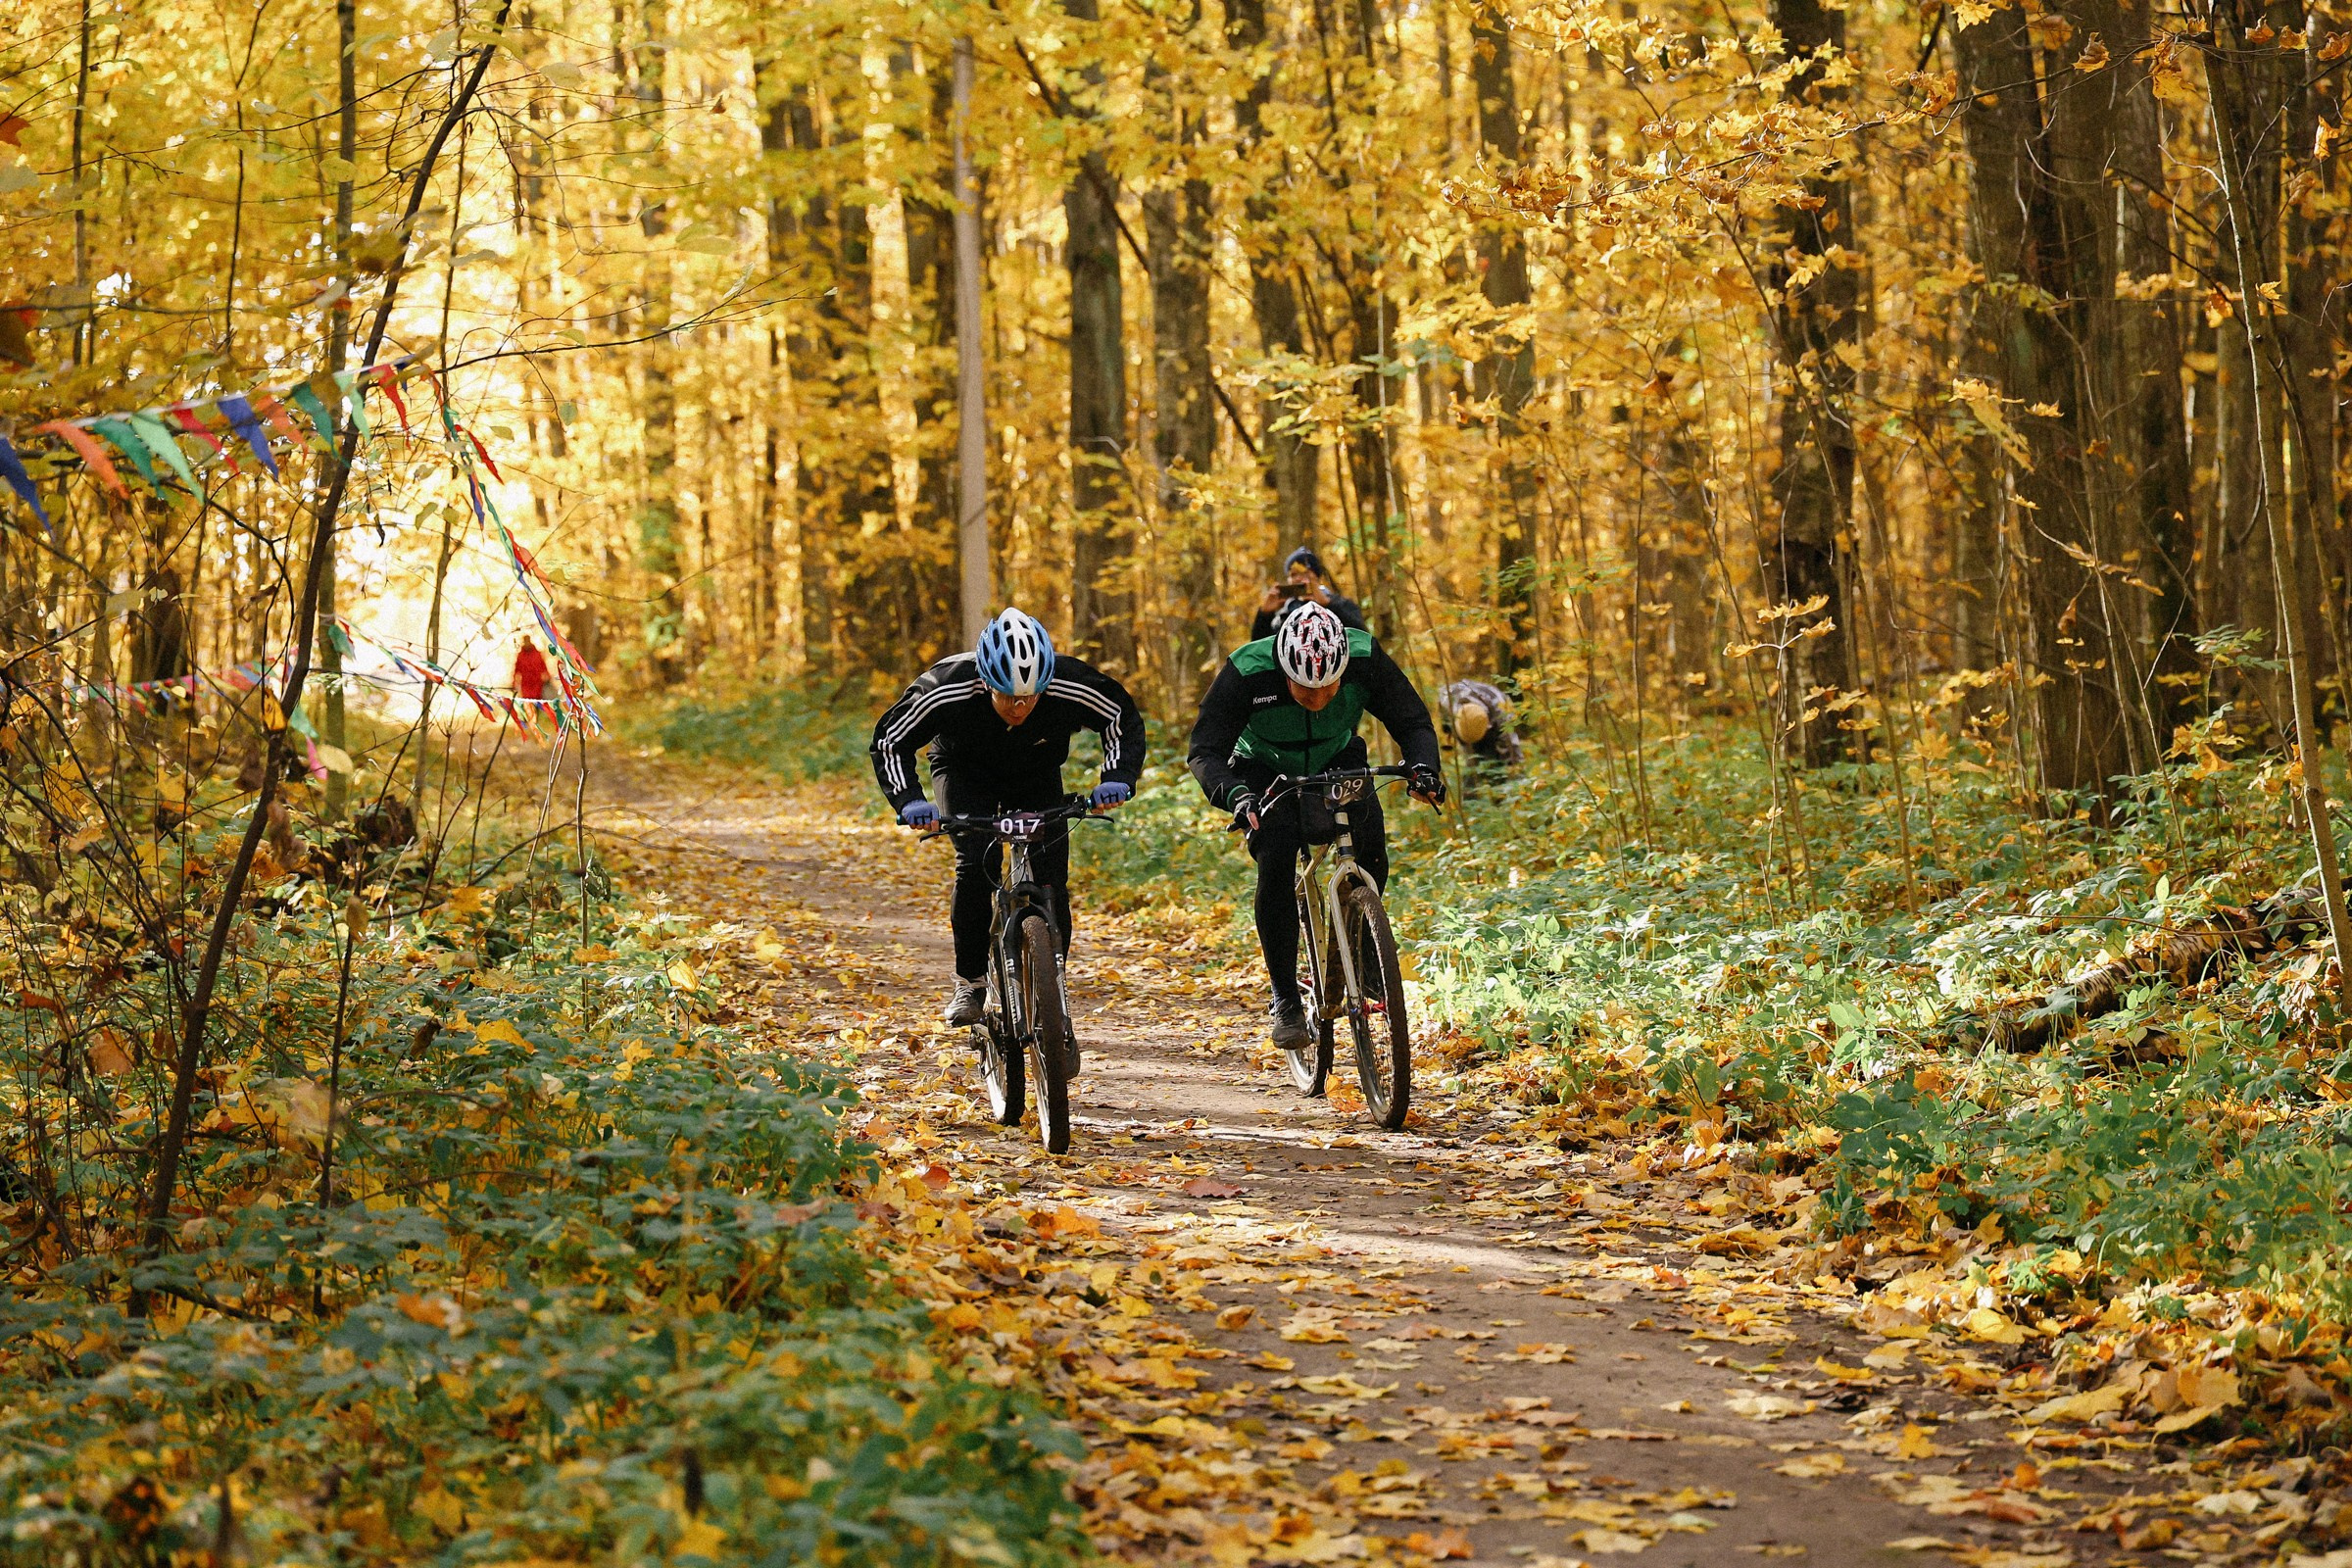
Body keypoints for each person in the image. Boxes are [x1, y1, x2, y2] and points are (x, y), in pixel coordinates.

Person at [871, 608, 1147, 1028]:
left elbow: (1121, 718)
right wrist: (910, 801)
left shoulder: (1071, 684)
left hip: (1035, 773)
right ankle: (971, 981)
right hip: (963, 771)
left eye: (1031, 697)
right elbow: (891, 741)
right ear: (985, 683)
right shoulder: (946, 687)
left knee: (1052, 879)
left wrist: (1117, 777)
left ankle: (1052, 989)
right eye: (1007, 697)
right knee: (975, 864)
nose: (1020, 707)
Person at [1187, 603, 1444, 1051]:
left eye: (1329, 686)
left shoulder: (1365, 657)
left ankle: (1364, 953)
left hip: (1337, 757)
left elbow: (1412, 720)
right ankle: (1285, 996)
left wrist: (1424, 769)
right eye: (1306, 689)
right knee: (1277, 855)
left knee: (1370, 846)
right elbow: (1204, 751)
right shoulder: (1247, 671)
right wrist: (1235, 794)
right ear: (1283, 668)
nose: (1320, 697)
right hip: (1262, 768)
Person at [1250, 546, 1370, 641]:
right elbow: (1259, 650)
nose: (1298, 579)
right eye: (1293, 575)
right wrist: (1265, 615)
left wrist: (1327, 604)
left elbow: (1361, 636)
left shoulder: (1341, 604)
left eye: (1304, 573)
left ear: (1317, 577)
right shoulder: (1283, 613)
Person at [1444, 678, 1523, 770]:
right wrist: (1447, 729)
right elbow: (1444, 717)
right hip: (1465, 717)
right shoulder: (1447, 700)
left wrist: (1515, 770)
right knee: (1471, 760)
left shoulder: (1501, 712)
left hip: (1494, 720)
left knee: (1493, 756)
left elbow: (1512, 748)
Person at [513, 635, 550, 703]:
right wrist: (514, 681)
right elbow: (517, 669)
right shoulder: (521, 656)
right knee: (528, 701)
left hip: (536, 682)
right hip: (526, 683)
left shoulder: (537, 653)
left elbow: (542, 665)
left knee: (537, 700)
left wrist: (547, 675)